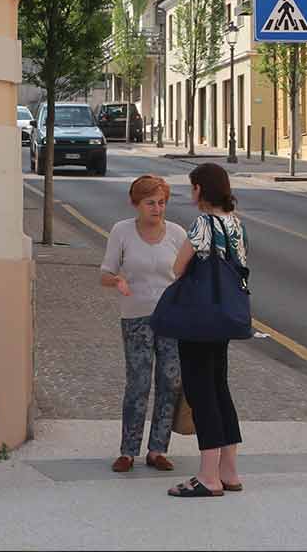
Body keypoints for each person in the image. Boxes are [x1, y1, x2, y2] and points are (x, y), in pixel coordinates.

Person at [167, 162, 248, 498]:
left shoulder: (204, 223)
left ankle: (208, 476)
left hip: (199, 319)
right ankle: (229, 471)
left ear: (200, 188)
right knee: (219, 388)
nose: (191, 192)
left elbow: (178, 267)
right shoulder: (235, 223)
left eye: (193, 186)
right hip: (224, 317)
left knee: (201, 394)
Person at [100, 175, 186, 473]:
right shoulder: (121, 231)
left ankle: (158, 449)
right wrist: (117, 280)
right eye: (150, 203)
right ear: (135, 203)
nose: (157, 209)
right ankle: (128, 451)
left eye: (161, 203)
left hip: (171, 319)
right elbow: (104, 273)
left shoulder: (177, 234)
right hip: (136, 317)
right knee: (138, 382)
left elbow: (188, 275)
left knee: (170, 382)